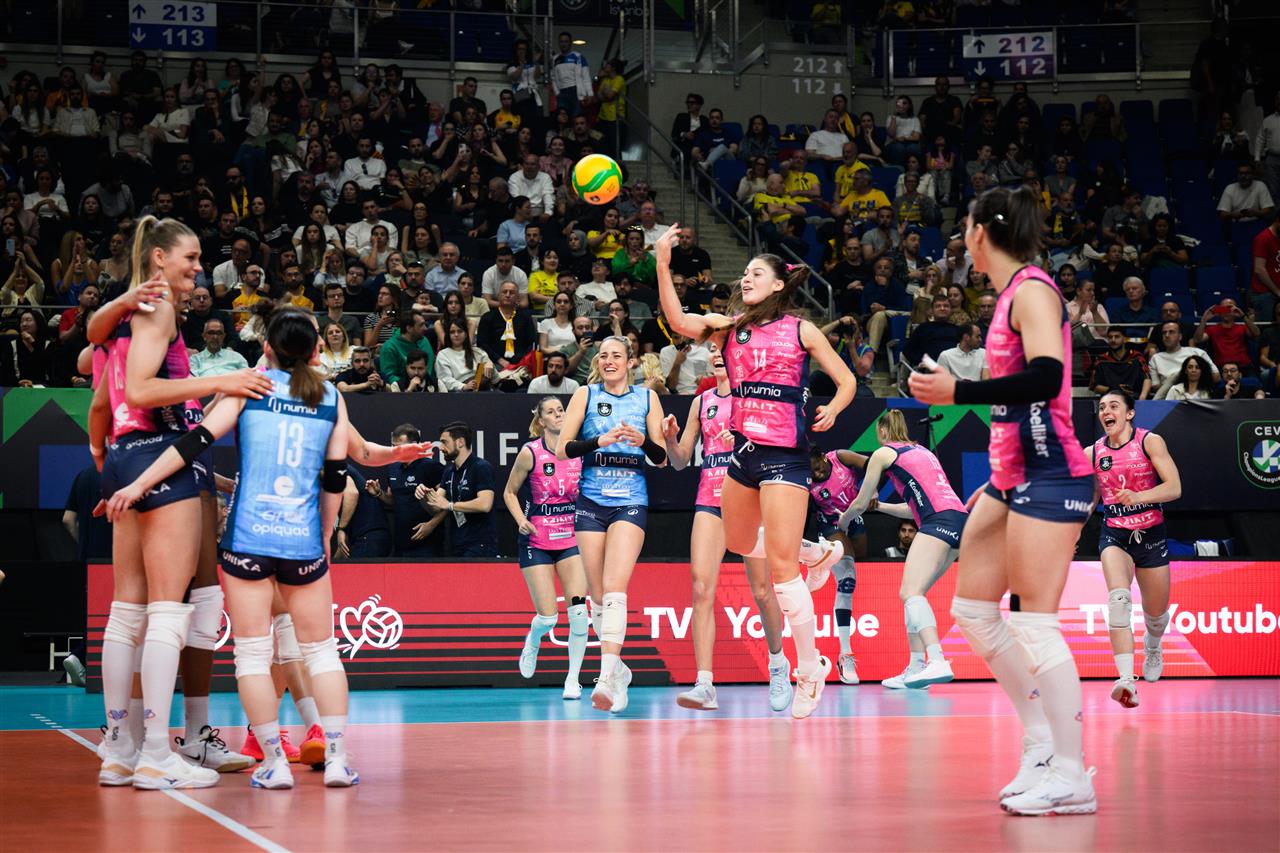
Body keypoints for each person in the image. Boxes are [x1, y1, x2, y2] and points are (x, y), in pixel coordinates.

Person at [106, 308, 360, 790]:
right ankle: (338, 759)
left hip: (248, 541)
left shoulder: (250, 387)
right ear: (315, 352)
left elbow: (193, 443)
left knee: (252, 656)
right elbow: (335, 478)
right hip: (302, 540)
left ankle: (274, 763)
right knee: (322, 652)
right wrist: (325, 535)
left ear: (266, 349)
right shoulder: (331, 397)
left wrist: (136, 483)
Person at [910, 186, 1099, 816]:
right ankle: (1041, 742)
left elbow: (1048, 377)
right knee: (972, 610)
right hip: (1009, 476)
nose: (961, 238)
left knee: (1036, 623)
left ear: (979, 234)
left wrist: (959, 391)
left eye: (964, 227)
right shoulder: (1006, 296)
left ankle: (1072, 775)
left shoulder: (1034, 291)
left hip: (1052, 472)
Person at [92, 218, 274, 789]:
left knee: (127, 612)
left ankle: (119, 748)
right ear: (159, 259)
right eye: (190, 258)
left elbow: (104, 398)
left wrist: (103, 457)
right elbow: (142, 391)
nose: (198, 267)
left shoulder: (129, 314)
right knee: (169, 611)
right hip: (163, 457)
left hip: (128, 455)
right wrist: (222, 383)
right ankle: (155, 752)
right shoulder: (158, 310)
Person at [655, 228, 857, 718]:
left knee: (781, 576)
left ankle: (809, 667)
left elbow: (847, 379)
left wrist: (834, 408)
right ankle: (813, 551)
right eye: (744, 274)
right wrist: (662, 262)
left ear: (778, 285)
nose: (746, 279)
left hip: (786, 457)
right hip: (743, 455)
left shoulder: (801, 330)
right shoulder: (729, 328)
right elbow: (678, 320)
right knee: (742, 542)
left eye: (756, 273)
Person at [556, 336, 668, 713]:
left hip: (630, 499)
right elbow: (562, 449)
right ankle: (618, 670)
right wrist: (597, 441)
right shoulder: (585, 395)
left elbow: (661, 459)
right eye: (603, 355)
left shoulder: (647, 398)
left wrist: (642, 442)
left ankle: (605, 677)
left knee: (616, 588)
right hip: (591, 500)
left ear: (630, 362)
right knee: (599, 594)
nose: (609, 361)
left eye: (616, 355)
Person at [840, 410, 967, 689]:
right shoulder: (923, 452)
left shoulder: (883, 453)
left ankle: (937, 660)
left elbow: (859, 503)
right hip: (959, 521)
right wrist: (881, 507)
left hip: (938, 522)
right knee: (912, 594)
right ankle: (916, 667)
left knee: (911, 593)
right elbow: (913, 509)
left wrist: (843, 521)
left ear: (882, 431)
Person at [1086, 391, 1180, 709]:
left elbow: (1174, 487)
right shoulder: (1093, 452)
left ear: (1129, 414)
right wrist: (1071, 530)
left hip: (1151, 534)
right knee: (1118, 601)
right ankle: (1126, 680)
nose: (1106, 411)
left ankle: (1152, 646)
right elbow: (1091, 498)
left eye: (1114, 406)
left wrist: (1139, 497)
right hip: (1115, 534)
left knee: (1156, 615)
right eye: (1102, 407)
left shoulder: (1149, 442)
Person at [503, 398, 589, 698]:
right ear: (541, 421)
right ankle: (533, 639)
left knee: (579, 613)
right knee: (549, 617)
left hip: (571, 539)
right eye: (551, 412)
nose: (558, 415)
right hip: (537, 540)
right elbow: (509, 492)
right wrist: (520, 520)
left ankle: (572, 680)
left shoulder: (578, 451)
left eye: (561, 410)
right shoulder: (530, 453)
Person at [807, 446, 869, 684]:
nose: (818, 473)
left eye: (819, 467)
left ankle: (825, 557)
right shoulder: (809, 485)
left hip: (854, 517)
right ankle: (845, 655)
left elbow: (871, 464)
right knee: (847, 581)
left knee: (860, 558)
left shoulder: (840, 457)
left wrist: (872, 489)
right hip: (830, 524)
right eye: (813, 472)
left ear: (824, 457)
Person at [420, 422, 498, 558]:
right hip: (455, 544)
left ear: (460, 442)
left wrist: (450, 505)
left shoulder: (481, 467)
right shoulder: (448, 472)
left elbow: (485, 504)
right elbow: (435, 508)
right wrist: (423, 496)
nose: (441, 448)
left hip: (479, 544)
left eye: (445, 442)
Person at [368, 424, 445, 558]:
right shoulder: (392, 468)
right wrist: (379, 493)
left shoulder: (431, 467)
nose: (395, 451)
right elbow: (392, 500)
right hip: (400, 543)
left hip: (428, 544)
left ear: (414, 445)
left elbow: (447, 503)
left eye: (399, 447)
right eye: (393, 446)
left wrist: (431, 525)